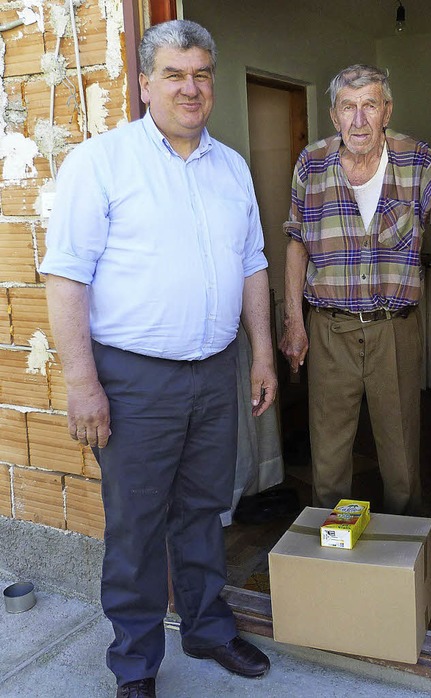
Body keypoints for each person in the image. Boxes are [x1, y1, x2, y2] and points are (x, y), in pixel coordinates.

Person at [41, 20, 276, 698]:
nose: (191, 87)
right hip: (134, 379)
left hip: (214, 371)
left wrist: (261, 353)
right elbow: (66, 279)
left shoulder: (230, 168)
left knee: (203, 510)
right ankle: (136, 664)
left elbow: (253, 266)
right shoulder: (101, 162)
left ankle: (206, 628)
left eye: (201, 73)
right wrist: (82, 382)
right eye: (174, 74)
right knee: (138, 524)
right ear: (146, 84)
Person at [279, 64, 431, 517]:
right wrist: (294, 323)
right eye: (348, 108)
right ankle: (334, 564)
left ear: (387, 110)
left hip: (394, 331)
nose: (359, 120)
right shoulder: (311, 163)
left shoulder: (415, 158)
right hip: (329, 329)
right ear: (334, 114)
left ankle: (403, 573)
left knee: (400, 459)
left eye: (370, 106)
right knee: (329, 458)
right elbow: (297, 243)